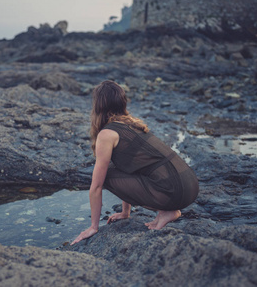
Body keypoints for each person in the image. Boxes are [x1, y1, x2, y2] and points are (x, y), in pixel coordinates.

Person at [71, 80, 199, 245]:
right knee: (112, 169)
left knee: (105, 175)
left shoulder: (107, 134)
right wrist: (125, 213)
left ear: (98, 106)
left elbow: (96, 186)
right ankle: (167, 211)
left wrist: (93, 227)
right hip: (190, 186)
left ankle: (167, 210)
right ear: (122, 102)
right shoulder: (132, 124)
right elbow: (133, 169)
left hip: (173, 190)